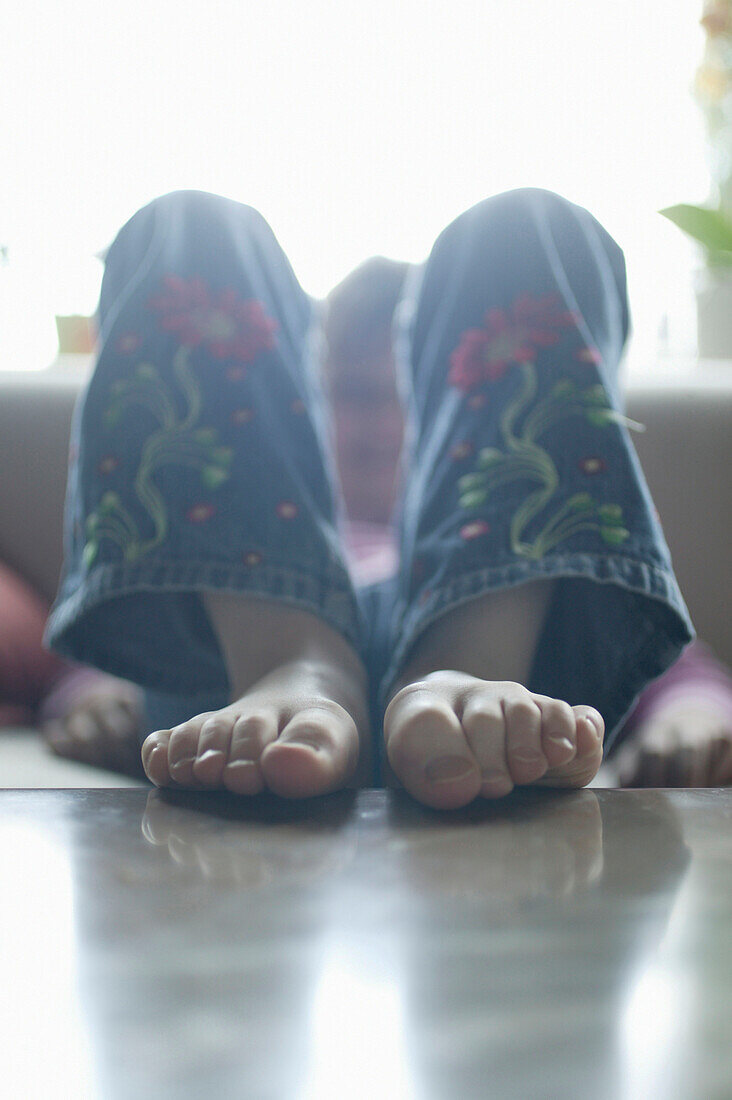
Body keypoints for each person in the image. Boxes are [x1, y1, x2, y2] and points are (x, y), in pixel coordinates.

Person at [37, 187, 701, 808]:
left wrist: (694, 711)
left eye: (410, 405)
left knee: (527, 230)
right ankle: (294, 660)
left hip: (512, 666)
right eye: (355, 396)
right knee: (185, 229)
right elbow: (107, 666)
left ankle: (463, 661)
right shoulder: (278, 512)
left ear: (461, 418)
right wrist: (92, 689)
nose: (385, 428)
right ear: (292, 405)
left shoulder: (471, 533)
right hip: (241, 674)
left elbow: (668, 664)